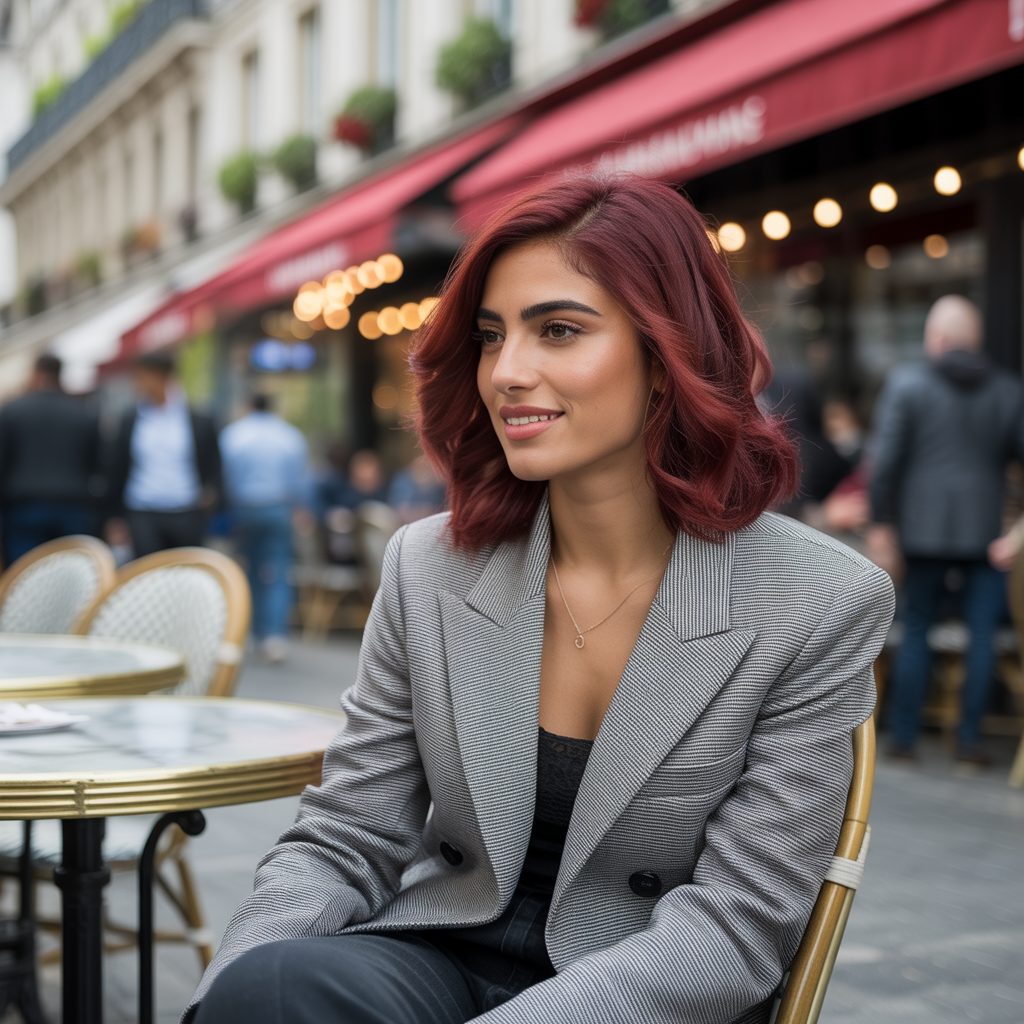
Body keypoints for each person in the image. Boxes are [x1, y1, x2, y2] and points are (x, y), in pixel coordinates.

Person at [185, 175, 893, 1024]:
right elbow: (349, 836)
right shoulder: (430, 565)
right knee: (272, 986)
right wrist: (227, 994)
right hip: (438, 954)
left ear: (667, 360)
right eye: (492, 336)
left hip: (643, 992)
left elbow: (736, 926)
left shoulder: (819, 600)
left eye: (558, 330)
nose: (508, 373)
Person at [869, 295, 1024, 764]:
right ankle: (970, 741)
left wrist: (881, 520)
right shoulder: (1007, 389)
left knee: (917, 628)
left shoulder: (908, 383)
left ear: (936, 339)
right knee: (980, 636)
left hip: (922, 531)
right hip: (984, 535)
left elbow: (885, 462)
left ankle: (905, 739)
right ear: (973, 341)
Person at [105, 351, 222, 558]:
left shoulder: (196, 420)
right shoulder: (130, 419)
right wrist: (115, 516)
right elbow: (118, 467)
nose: (136, 384)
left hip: (186, 511)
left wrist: (212, 494)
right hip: (142, 511)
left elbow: (213, 462)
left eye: (141, 377)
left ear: (162, 377)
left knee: (185, 575)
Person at [220, 394, 309, 663]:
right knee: (278, 572)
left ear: (248, 406)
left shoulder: (234, 434)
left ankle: (247, 633)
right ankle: (274, 637)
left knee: (246, 570)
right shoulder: (289, 436)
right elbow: (299, 479)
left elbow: (225, 475)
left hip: (243, 509)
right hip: (278, 508)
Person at [0, 353, 100, 564]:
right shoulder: (83, 412)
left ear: (36, 373)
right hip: (74, 508)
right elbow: (96, 464)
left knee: (24, 575)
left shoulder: (11, 411)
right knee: (72, 577)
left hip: (24, 509)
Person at [388, 453, 446, 524]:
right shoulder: (402, 480)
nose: (422, 462)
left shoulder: (440, 482)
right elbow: (399, 511)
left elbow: (434, 512)